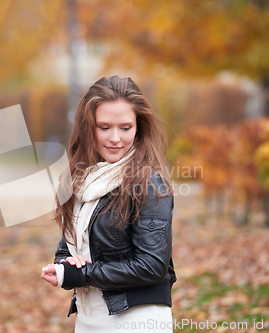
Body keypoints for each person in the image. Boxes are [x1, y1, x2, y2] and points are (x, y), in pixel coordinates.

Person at [41, 76, 176, 332]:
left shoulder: (149, 184)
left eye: (125, 128)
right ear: (87, 128)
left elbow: (152, 266)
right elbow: (70, 245)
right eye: (104, 127)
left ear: (139, 128)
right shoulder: (81, 180)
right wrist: (63, 265)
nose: (115, 138)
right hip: (88, 317)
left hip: (136, 319)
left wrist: (82, 274)